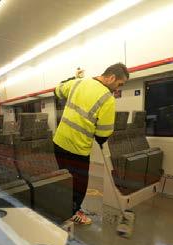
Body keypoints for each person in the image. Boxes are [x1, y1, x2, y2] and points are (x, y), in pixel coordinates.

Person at [53, 63, 129, 224]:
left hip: (59, 143)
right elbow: (104, 131)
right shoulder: (107, 98)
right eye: (119, 84)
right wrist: (101, 138)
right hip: (77, 149)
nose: (117, 89)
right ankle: (73, 212)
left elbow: (57, 90)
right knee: (79, 185)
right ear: (112, 78)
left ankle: (61, 207)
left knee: (64, 178)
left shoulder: (79, 82)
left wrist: (72, 78)